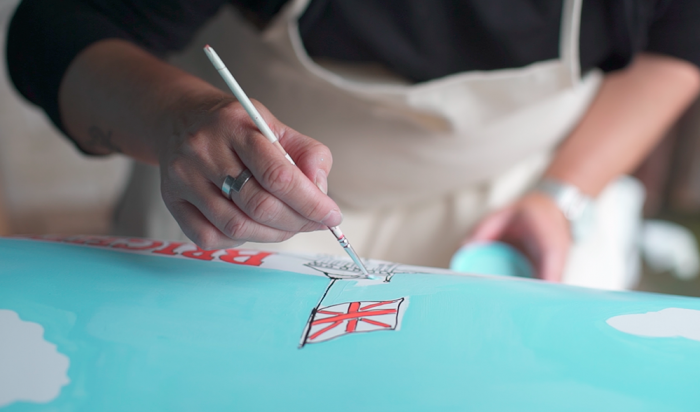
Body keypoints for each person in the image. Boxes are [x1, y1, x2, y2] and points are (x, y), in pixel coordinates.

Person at [7, 0, 700, 288]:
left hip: (515, 194)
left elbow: (680, 39)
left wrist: (561, 197)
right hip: (228, 188)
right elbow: (52, 29)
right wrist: (173, 118)